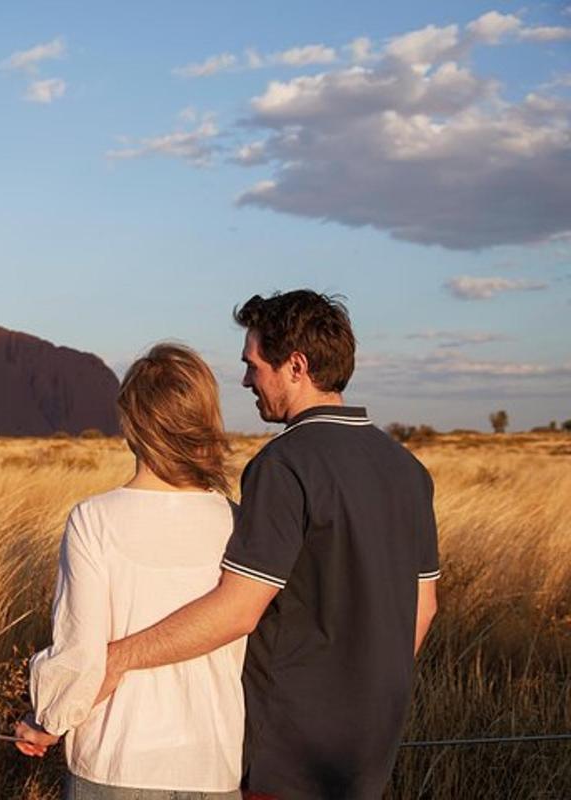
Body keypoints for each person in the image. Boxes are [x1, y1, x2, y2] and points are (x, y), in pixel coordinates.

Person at [80, 291, 441, 799]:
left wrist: (115, 658)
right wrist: (365, 697)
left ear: (296, 366)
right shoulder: (408, 470)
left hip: (285, 752)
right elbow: (423, 608)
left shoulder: (284, 465)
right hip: (368, 750)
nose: (248, 381)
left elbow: (238, 611)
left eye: (253, 365)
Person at [15, 343, 246, 800]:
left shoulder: (93, 519)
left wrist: (46, 722)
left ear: (132, 422)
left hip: (115, 762)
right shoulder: (238, 522)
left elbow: (81, 654)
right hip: (212, 765)